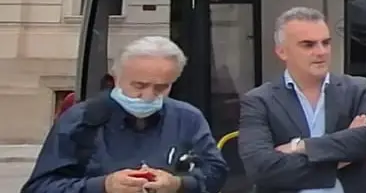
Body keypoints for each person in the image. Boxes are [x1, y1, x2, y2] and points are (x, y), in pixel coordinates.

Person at [25, 36, 228, 193]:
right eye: (139, 85)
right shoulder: (80, 120)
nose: (148, 96)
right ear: (116, 78)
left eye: (161, 87)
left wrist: (179, 184)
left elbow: (216, 173)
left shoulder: (188, 118)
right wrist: (104, 186)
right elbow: (40, 187)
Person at [238, 7, 366, 192]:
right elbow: (262, 168)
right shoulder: (259, 101)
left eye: (326, 43)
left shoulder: (357, 89)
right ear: (282, 52)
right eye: (308, 45)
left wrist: (300, 146)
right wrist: (342, 157)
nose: (321, 51)